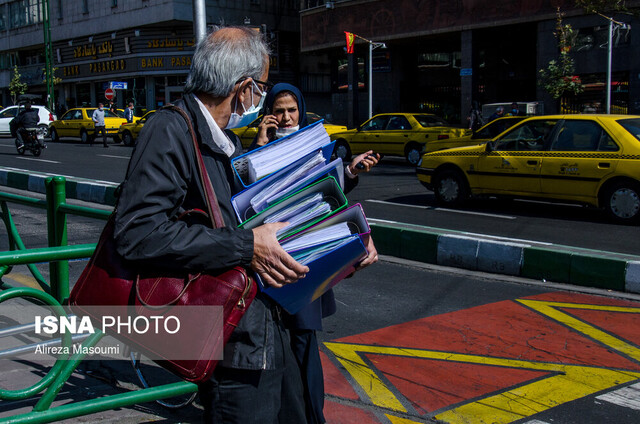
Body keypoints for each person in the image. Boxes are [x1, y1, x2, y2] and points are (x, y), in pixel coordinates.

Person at [113, 26, 378, 423]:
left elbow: (265, 219)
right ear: (244, 88)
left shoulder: (228, 142)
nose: (261, 98)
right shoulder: (170, 130)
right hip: (230, 341)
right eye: (262, 87)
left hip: (267, 326)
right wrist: (247, 246)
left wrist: (345, 241)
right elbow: (139, 233)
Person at [250, 83, 379, 424]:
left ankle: (311, 416)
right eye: (279, 110)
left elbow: (329, 188)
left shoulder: (313, 145)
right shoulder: (256, 151)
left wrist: (350, 171)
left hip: (308, 253)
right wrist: (260, 145)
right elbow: (243, 197)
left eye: (292, 110)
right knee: (278, 344)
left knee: (304, 341)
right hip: (271, 256)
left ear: (301, 111)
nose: (286, 117)